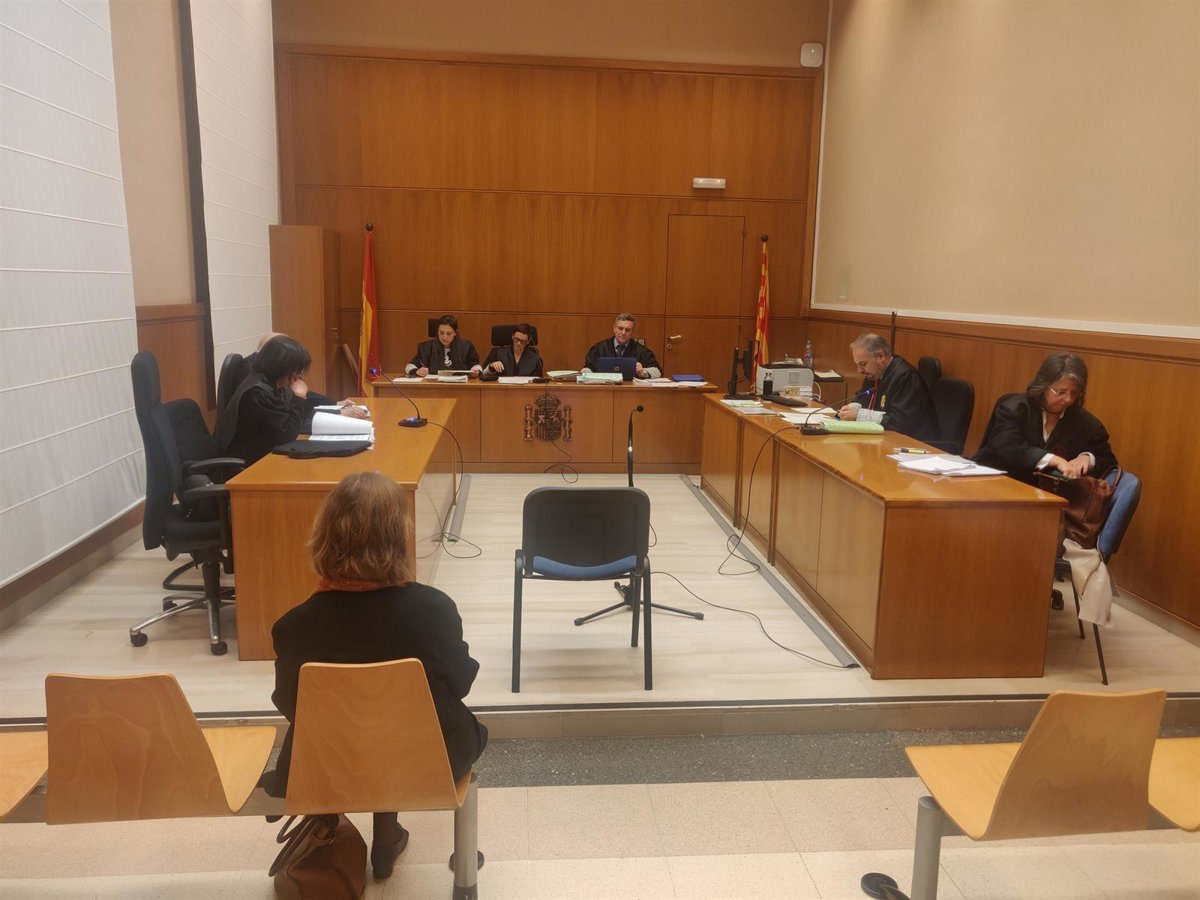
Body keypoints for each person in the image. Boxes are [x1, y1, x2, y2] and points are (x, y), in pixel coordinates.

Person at [268, 471, 487, 880]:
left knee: (359, 732)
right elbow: (461, 683)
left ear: (326, 536)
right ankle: (386, 836)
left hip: (329, 763)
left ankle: (353, 823)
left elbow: (289, 704)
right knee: (405, 728)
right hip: (427, 761)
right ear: (397, 537)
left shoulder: (294, 625)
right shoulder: (432, 610)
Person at [216, 336, 364, 465]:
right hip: (251, 464)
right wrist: (299, 397)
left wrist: (336, 412)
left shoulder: (272, 382)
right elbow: (287, 434)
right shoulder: (257, 393)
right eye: (297, 370)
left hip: (266, 455)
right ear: (281, 367)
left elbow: (297, 415)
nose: (300, 376)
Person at [973, 352, 1116, 484]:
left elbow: (1108, 461)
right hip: (994, 483)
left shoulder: (1088, 425)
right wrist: (1053, 460)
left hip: (1047, 496)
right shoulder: (1014, 408)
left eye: (1074, 393)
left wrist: (1087, 458)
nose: (1068, 399)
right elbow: (1006, 446)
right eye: (1061, 392)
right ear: (1043, 386)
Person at [836, 333, 937, 441]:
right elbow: (862, 398)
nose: (859, 370)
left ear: (881, 357)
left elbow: (899, 423)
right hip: (883, 439)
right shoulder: (875, 373)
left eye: (863, 364)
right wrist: (851, 408)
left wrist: (859, 415)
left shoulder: (905, 377)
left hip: (913, 443)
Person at [582, 313, 662, 379]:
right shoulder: (599, 348)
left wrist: (643, 372)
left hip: (631, 390)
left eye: (627, 330)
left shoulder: (641, 351)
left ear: (632, 331)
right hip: (605, 389)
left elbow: (657, 371)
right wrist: (586, 372)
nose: (623, 333)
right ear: (614, 328)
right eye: (620, 328)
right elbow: (588, 368)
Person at [404, 314, 482, 377]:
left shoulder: (467, 347)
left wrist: (476, 371)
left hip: (460, 386)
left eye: (448, 333)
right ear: (437, 331)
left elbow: (476, 365)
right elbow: (410, 366)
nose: (444, 337)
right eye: (441, 333)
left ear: (455, 333)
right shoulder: (425, 347)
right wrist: (416, 371)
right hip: (434, 386)